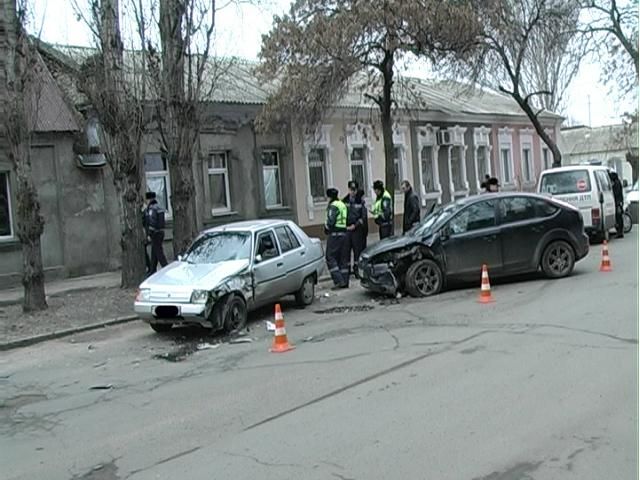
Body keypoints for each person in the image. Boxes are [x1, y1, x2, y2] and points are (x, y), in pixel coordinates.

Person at [324, 188, 349, 289]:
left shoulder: (333, 206)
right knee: (342, 258)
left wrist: (326, 228)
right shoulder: (342, 204)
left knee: (330, 257)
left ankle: (339, 281)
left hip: (335, 234)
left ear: (329, 196)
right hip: (344, 233)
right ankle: (345, 280)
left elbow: (331, 221)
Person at [342, 180, 367, 279]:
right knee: (346, 250)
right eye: (351, 189)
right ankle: (346, 270)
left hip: (357, 230)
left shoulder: (360, 202)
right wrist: (345, 226)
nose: (353, 192)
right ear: (348, 189)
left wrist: (355, 225)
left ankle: (357, 270)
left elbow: (363, 217)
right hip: (347, 229)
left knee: (357, 251)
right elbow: (341, 215)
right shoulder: (344, 201)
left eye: (354, 190)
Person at [143, 191, 168, 274]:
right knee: (154, 252)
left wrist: (149, 233)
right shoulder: (159, 207)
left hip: (155, 233)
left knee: (159, 252)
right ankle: (152, 270)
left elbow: (152, 221)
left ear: (149, 199)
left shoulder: (152, 208)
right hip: (161, 232)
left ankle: (166, 268)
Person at [610, 171, 624, 238]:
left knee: (618, 217)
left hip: (618, 202)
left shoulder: (617, 183)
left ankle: (620, 232)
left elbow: (616, 193)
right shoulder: (617, 182)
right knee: (619, 217)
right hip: (619, 202)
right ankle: (619, 232)